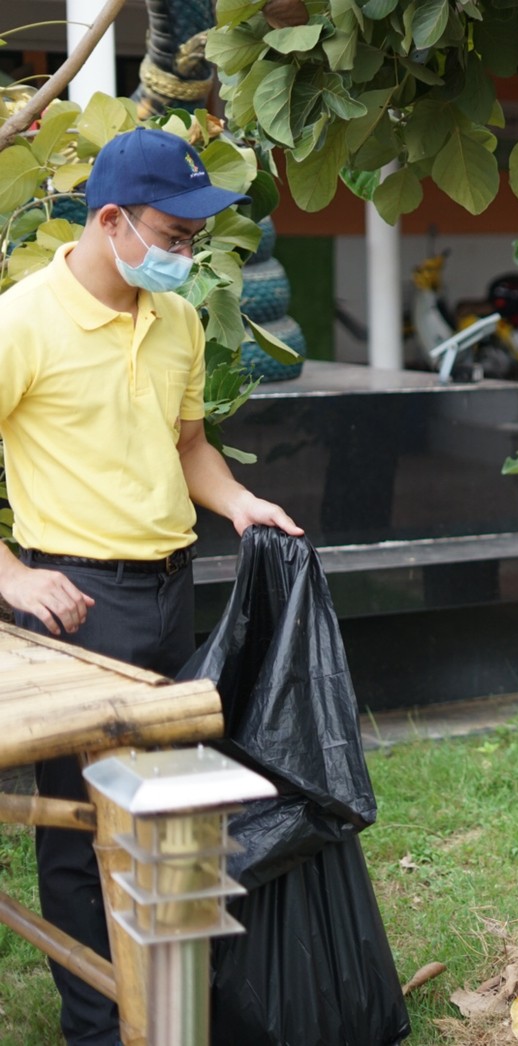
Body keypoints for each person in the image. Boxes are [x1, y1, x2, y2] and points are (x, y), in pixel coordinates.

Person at [0, 126, 303, 1046]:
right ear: (110, 221)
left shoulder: (176, 317)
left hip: (174, 592)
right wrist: (15, 575)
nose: (186, 255)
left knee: (174, 816)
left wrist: (242, 503)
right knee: (86, 838)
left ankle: (174, 1010)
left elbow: (188, 447)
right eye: (173, 237)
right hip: (80, 604)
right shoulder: (22, 322)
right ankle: (103, 1029)